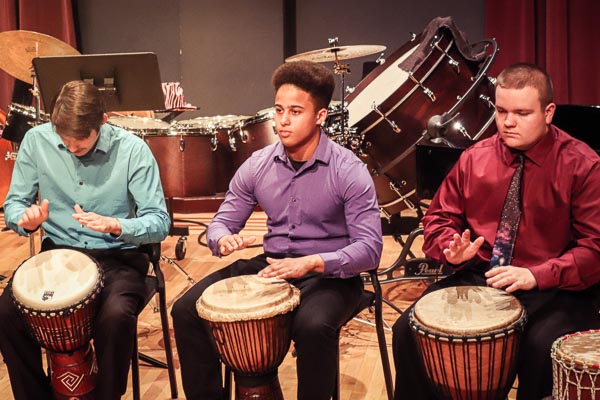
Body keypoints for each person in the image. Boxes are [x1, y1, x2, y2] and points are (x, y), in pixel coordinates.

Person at [171, 60, 383, 400]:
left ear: (321, 116)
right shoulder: (257, 165)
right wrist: (224, 238)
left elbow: (370, 249)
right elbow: (222, 222)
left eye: (295, 111)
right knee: (185, 310)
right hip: (274, 265)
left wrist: (313, 262)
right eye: (279, 110)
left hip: (331, 276)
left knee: (312, 327)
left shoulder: (348, 170)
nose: (283, 120)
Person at [392, 62, 600, 400]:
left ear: (548, 112)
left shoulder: (582, 165)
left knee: (543, 348)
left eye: (521, 112)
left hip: (555, 287)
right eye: (501, 110)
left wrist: (537, 275)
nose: (508, 122)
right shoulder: (475, 158)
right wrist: (451, 249)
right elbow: (438, 219)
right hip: (480, 275)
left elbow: (595, 249)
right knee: (407, 330)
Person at [0, 80, 171, 400]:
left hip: (117, 255)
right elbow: (14, 204)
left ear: (103, 122)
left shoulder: (133, 150)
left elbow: (160, 222)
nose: (72, 148)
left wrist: (116, 225)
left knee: (116, 316)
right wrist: (24, 219)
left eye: (81, 141)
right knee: (6, 314)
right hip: (59, 255)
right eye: (64, 140)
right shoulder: (37, 141)